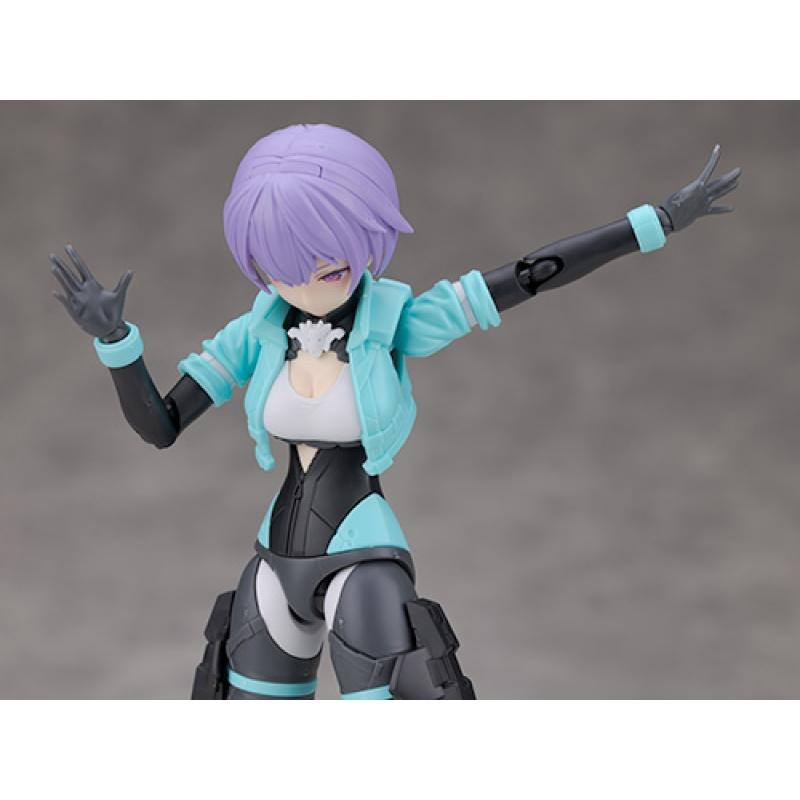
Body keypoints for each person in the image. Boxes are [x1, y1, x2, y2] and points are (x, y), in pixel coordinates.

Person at [50, 123, 741, 699]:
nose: (305, 287)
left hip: (362, 560)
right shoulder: (254, 332)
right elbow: (161, 426)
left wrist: (652, 223)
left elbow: (527, 276)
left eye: (328, 268)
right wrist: (116, 343)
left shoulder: (396, 319)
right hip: (271, 564)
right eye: (282, 269)